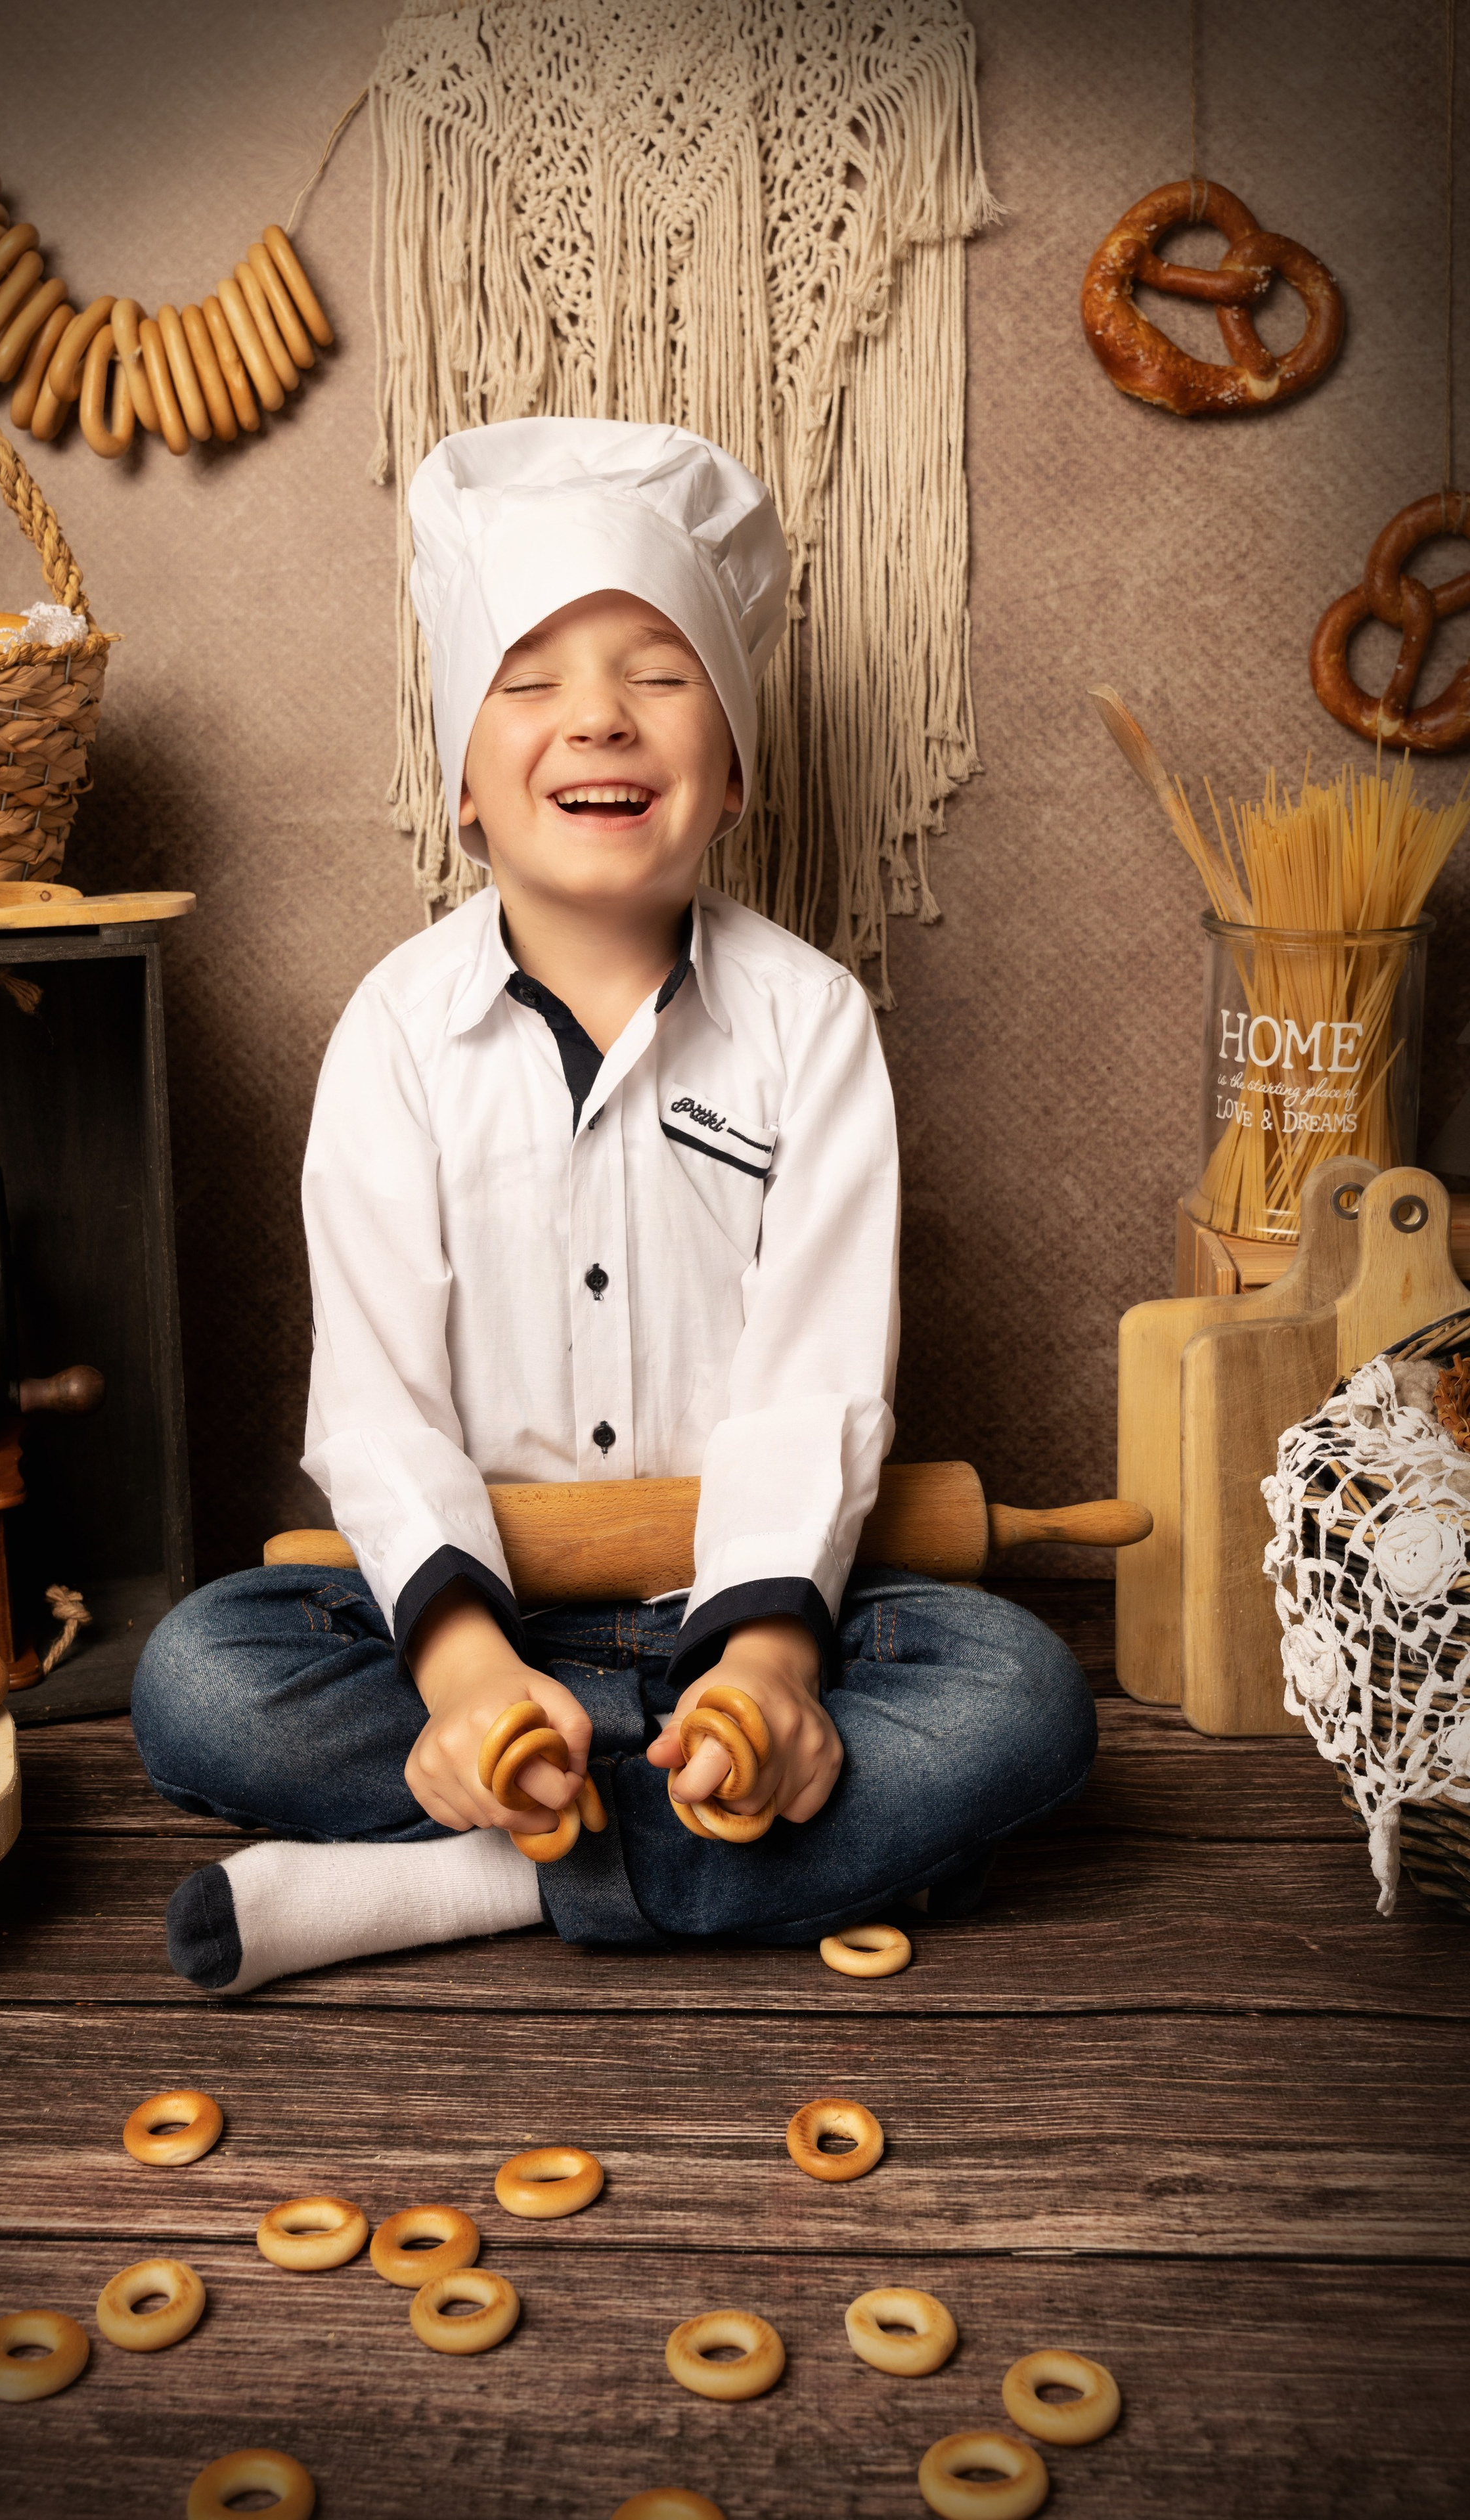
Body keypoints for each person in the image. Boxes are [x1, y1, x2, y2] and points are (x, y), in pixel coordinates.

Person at [133, 417, 1096, 1995]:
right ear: (459, 772)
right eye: (529, 681)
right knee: (202, 1677)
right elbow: (375, 1409)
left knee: (1020, 1695)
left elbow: (815, 1386)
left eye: (655, 674)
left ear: (733, 770)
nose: (596, 717)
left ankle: (469, 1884)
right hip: (470, 1619)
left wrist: (773, 1670)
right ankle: (720, 1846)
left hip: (751, 1606)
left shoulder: (809, 1022)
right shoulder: (393, 1030)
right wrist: (462, 1675)